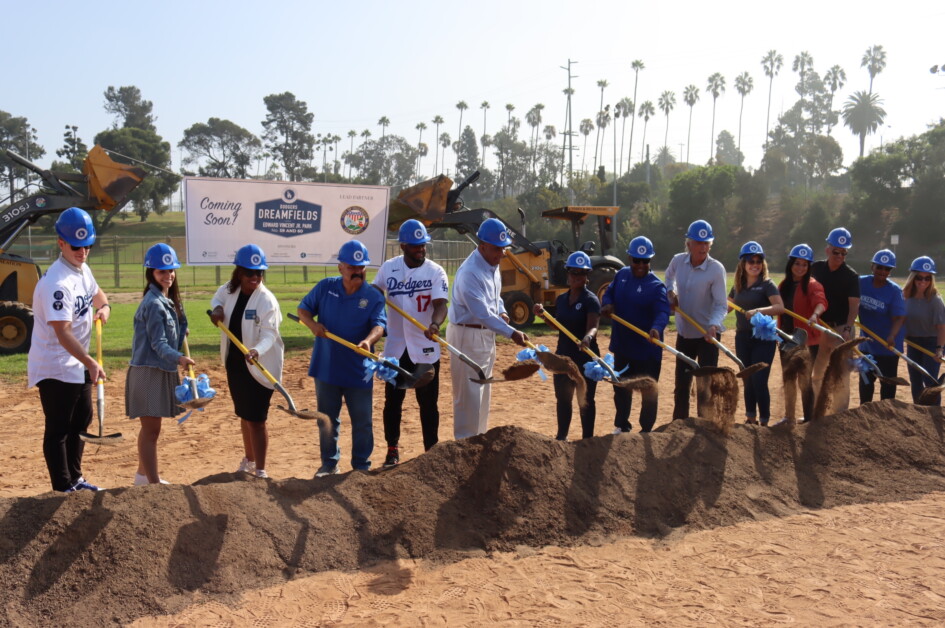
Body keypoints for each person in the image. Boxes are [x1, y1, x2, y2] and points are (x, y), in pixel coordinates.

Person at [28, 207, 110, 493]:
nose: (83, 252)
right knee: (59, 428)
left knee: (82, 418)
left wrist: (105, 307)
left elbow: (99, 295)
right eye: (76, 246)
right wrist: (89, 360)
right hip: (55, 364)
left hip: (77, 362)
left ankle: (76, 478)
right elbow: (61, 332)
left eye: (88, 245)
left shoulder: (82, 269)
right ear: (60, 242)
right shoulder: (56, 284)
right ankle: (62, 487)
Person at [298, 240, 386, 476]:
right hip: (327, 368)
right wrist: (312, 324)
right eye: (352, 267)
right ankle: (329, 464)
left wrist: (368, 341)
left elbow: (379, 325)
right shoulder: (326, 287)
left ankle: (360, 467)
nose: (357, 271)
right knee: (327, 419)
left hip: (359, 370)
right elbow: (303, 309)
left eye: (361, 267)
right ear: (340, 267)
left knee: (363, 422)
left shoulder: (373, 296)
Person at [373, 220, 448, 466]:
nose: (421, 250)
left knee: (428, 404)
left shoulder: (435, 271)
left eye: (423, 245)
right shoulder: (388, 268)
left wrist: (435, 325)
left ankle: (431, 451)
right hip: (396, 348)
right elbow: (374, 294)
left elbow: (440, 305)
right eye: (415, 246)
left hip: (425, 348)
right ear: (403, 245)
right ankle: (392, 449)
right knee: (392, 402)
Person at [447, 217, 529, 439]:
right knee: (469, 395)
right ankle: (465, 445)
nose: (501, 254)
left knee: (484, 390)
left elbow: (494, 297)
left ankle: (479, 439)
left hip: (485, 334)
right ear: (482, 245)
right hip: (467, 334)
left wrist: (501, 311)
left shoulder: (492, 265)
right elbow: (481, 312)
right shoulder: (470, 273)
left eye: (503, 249)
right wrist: (511, 333)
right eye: (496, 249)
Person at [209, 244, 283, 479]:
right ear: (239, 272)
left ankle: (260, 470)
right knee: (244, 414)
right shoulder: (230, 290)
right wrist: (218, 310)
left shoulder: (266, 300)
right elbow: (217, 299)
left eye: (259, 273)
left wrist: (256, 351)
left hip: (260, 366)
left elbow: (270, 334)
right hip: (235, 363)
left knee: (257, 419)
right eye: (250, 272)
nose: (255, 277)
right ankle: (249, 460)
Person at [126, 243, 193, 485]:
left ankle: (143, 477)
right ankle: (152, 483)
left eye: (171, 270)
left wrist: (180, 331)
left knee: (152, 429)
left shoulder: (167, 299)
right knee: (151, 430)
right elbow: (158, 344)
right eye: (161, 271)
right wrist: (180, 358)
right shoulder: (154, 304)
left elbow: (169, 335)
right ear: (151, 273)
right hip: (148, 372)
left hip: (158, 369)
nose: (168, 275)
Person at [600, 236, 670, 432]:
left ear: (650, 261)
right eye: (636, 261)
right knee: (621, 387)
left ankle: (646, 429)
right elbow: (609, 293)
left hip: (647, 349)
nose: (640, 265)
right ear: (629, 258)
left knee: (648, 390)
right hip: (623, 345)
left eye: (645, 261)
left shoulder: (656, 286)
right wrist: (607, 304)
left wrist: (657, 327)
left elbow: (662, 311)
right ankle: (622, 425)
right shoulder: (621, 275)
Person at [664, 220, 728, 420]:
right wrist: (670, 292)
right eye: (699, 243)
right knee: (682, 385)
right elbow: (668, 278)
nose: (703, 247)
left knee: (705, 387)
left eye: (707, 243)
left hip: (707, 336)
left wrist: (713, 325)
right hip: (684, 334)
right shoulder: (677, 261)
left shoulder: (716, 269)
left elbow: (721, 304)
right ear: (689, 243)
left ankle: (705, 427)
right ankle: (678, 425)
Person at [536, 252, 601, 440]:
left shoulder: (591, 300)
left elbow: (593, 327)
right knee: (563, 400)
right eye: (573, 273)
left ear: (587, 276)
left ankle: (587, 440)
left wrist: (587, 338)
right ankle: (561, 438)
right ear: (568, 274)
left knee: (585, 401)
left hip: (585, 358)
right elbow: (559, 325)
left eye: (581, 274)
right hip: (563, 358)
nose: (576, 277)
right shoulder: (562, 300)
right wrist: (543, 316)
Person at [728, 241, 784, 425]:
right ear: (742, 263)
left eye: (758, 260)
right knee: (748, 380)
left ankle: (764, 421)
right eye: (750, 260)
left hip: (763, 339)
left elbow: (779, 307)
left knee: (759, 380)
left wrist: (758, 311)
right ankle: (750, 418)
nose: (755, 264)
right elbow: (726, 307)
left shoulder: (767, 284)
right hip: (742, 338)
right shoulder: (738, 285)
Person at [810, 227, 860, 411]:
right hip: (820, 328)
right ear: (828, 249)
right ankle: (818, 410)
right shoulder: (815, 268)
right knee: (817, 373)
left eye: (843, 253)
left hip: (841, 328)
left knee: (841, 375)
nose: (839, 256)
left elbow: (854, 306)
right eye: (836, 252)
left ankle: (840, 416)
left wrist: (848, 328)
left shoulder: (851, 276)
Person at [777, 244, 828, 422]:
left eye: (804, 265)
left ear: (809, 267)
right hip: (786, 338)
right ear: (791, 264)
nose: (800, 268)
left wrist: (815, 314)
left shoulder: (813, 285)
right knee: (788, 378)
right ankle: (789, 417)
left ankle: (809, 419)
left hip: (807, 340)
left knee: (804, 380)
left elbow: (821, 301)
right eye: (797, 263)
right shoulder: (783, 285)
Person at [857, 249, 906, 403]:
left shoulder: (894, 291)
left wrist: (892, 335)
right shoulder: (861, 283)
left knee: (887, 385)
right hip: (866, 344)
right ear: (872, 266)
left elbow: (899, 318)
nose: (882, 271)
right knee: (865, 382)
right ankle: (864, 414)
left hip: (888, 345)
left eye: (887, 269)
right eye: (879, 267)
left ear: (890, 271)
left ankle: (886, 421)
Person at [903, 256, 945, 405]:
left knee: (930, 381)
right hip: (913, 342)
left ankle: (935, 413)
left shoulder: (935, 300)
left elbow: (941, 328)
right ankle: (919, 412)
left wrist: (940, 349)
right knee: (915, 380)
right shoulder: (906, 296)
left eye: (927, 278)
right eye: (919, 277)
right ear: (913, 277)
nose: (923, 281)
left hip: (932, 342)